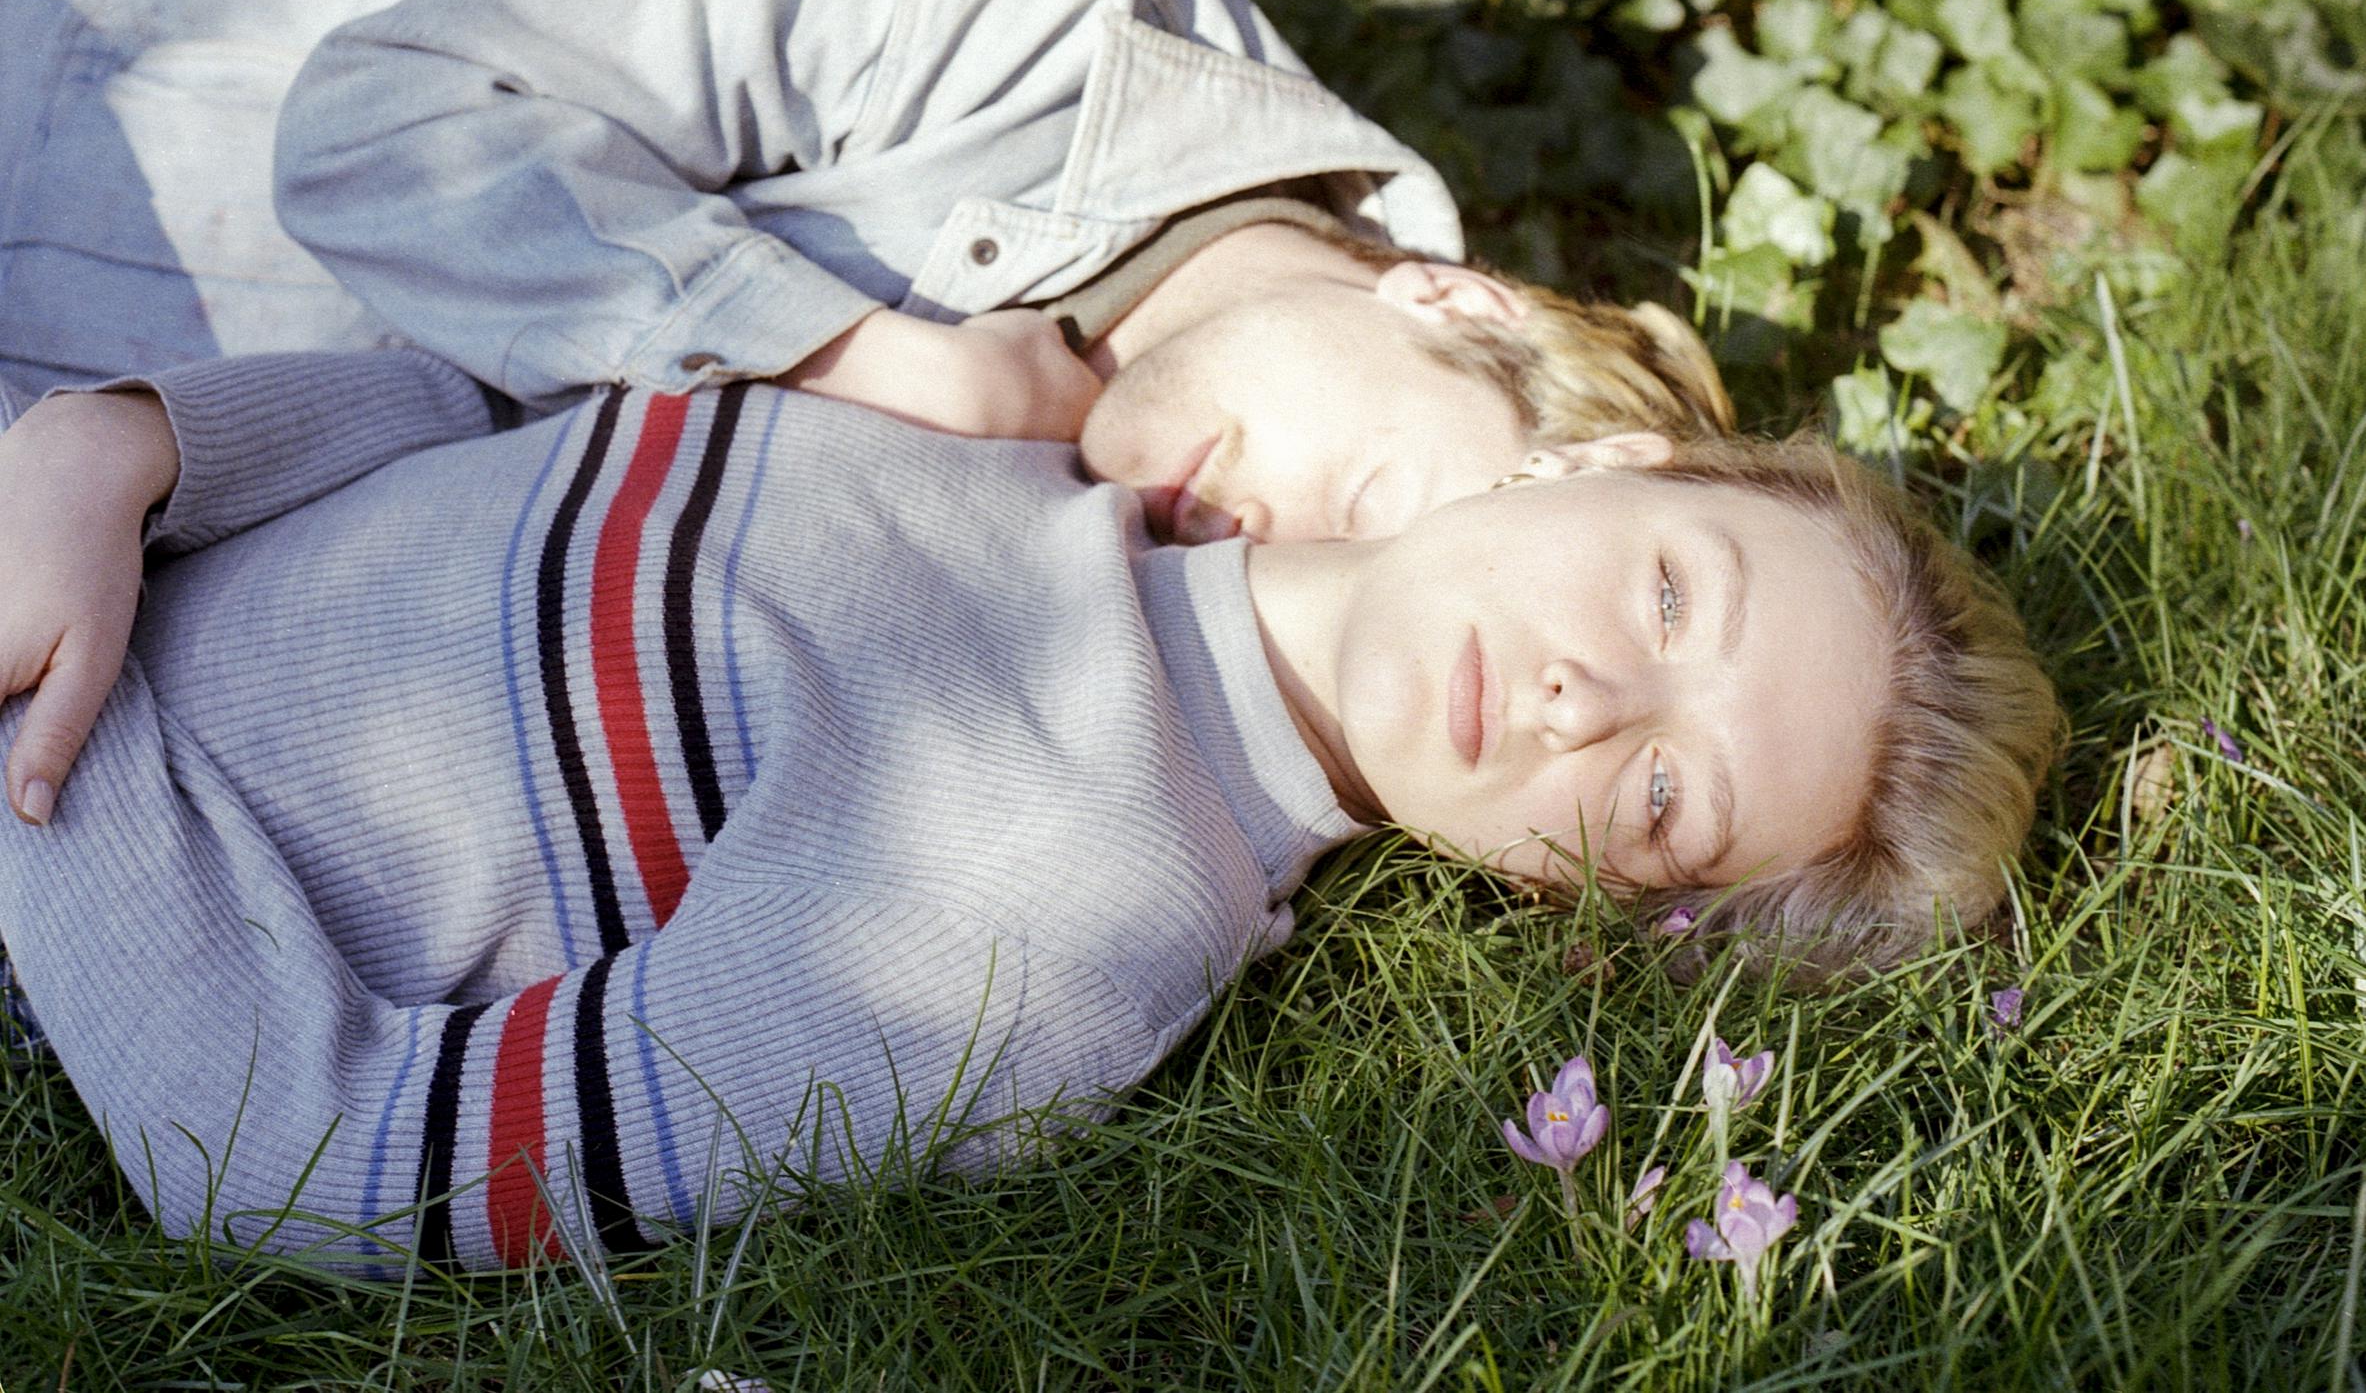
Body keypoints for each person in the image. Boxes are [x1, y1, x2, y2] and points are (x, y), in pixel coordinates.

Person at [0, 347, 2058, 1276]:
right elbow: (495, 411)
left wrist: (36, 752)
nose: (1584, 695)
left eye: (1667, 793)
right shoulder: (1030, 449)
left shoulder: (1046, 935)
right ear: (1595, 469)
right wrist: (131, 451)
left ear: (1588, 896)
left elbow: (303, 1164)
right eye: (1669, 594)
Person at [0, 0, 1732, 545]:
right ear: (1451, 300)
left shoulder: (1139, 557)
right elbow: (384, 123)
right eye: (1364, 502)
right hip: (63, 134)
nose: (1277, 548)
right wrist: (858, 357)